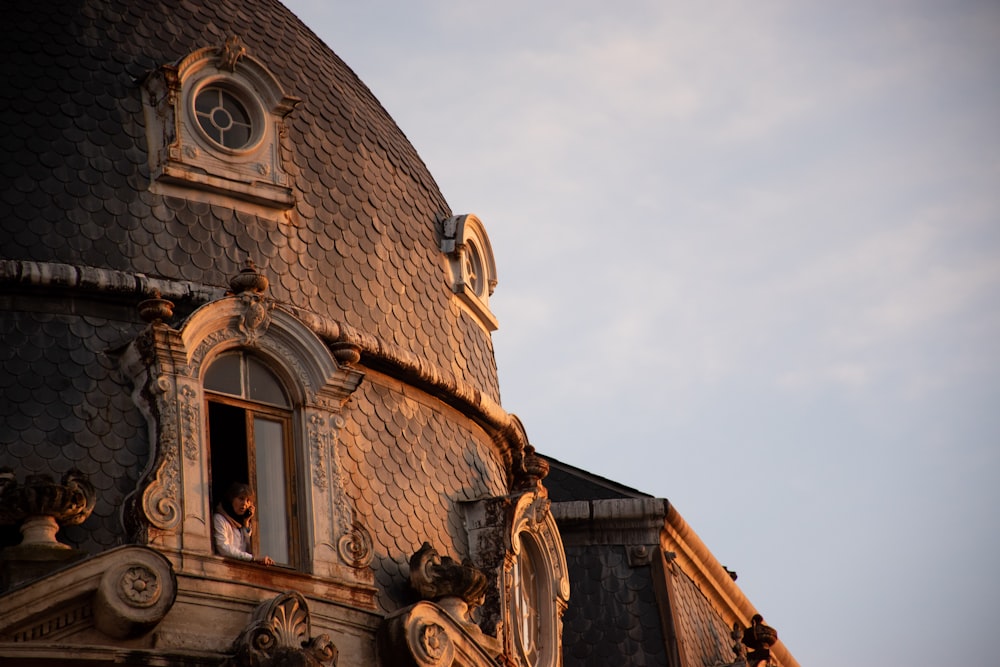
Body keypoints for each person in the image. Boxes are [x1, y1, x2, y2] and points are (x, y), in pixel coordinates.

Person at [213, 482, 274, 566]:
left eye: (248, 501)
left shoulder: (241, 524)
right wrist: (253, 558)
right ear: (232, 499)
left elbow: (246, 549)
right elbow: (223, 548)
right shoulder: (219, 519)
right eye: (241, 499)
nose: (245, 504)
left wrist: (246, 521)